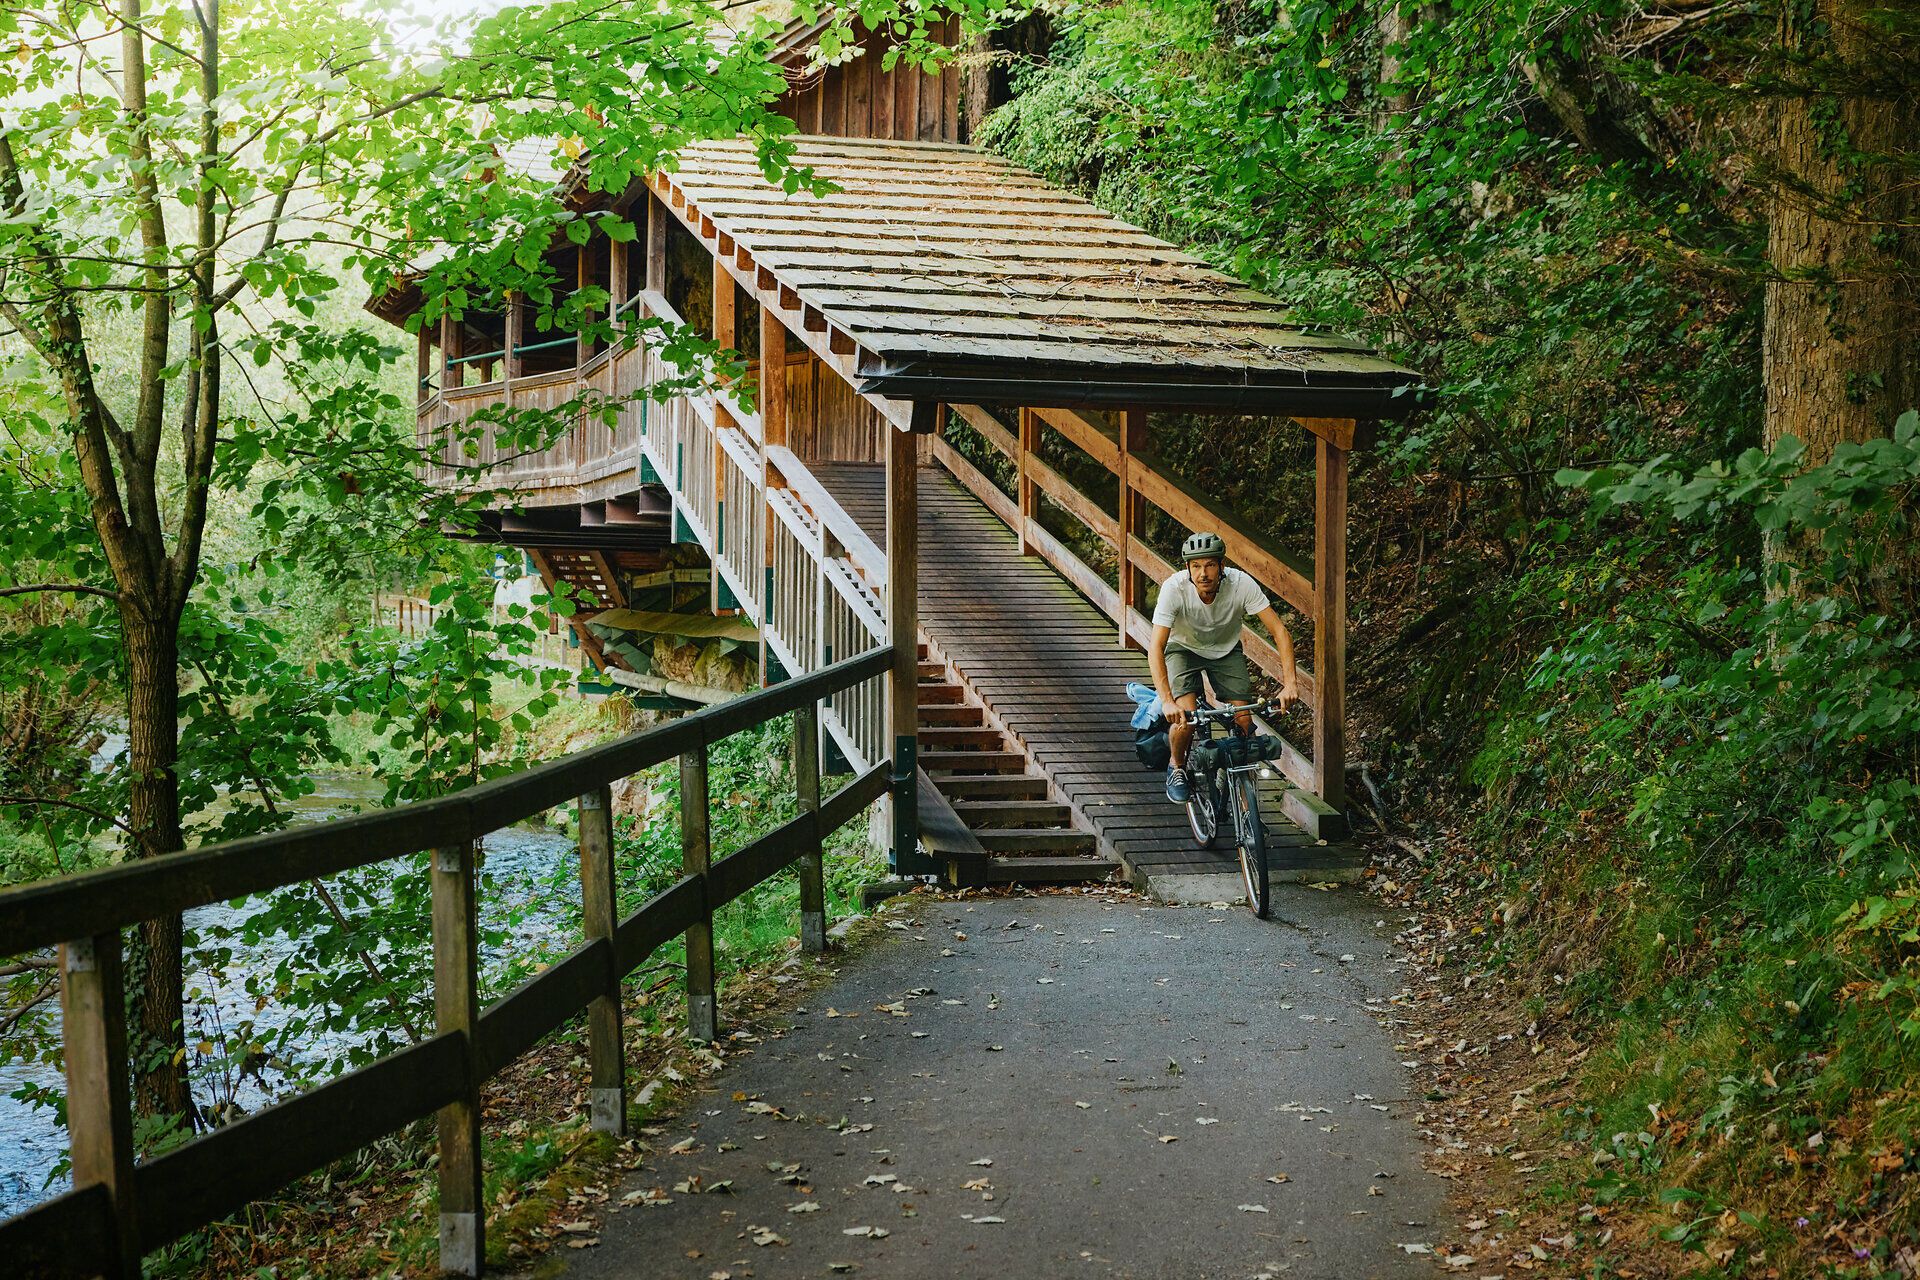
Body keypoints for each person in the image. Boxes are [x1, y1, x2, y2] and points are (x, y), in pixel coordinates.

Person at [1149, 531, 1300, 803]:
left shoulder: (1241, 584)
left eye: (1209, 565)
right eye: (1196, 566)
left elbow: (1280, 631)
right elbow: (1156, 646)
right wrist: (1167, 701)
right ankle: (1177, 767)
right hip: (1182, 648)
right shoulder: (1174, 588)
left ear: (1222, 566)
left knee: (1244, 719)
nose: (1203, 573)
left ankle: (1246, 805)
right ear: (1187, 568)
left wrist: (1290, 683)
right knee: (1186, 717)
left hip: (1226, 650)